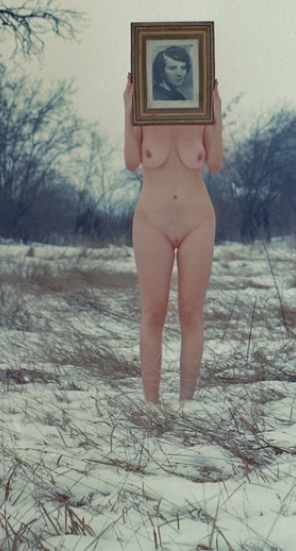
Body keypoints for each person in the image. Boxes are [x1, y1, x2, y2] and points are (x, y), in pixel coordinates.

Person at [124, 72, 223, 403]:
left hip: (198, 220)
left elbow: (215, 163)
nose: (177, 74)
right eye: (170, 67)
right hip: (151, 221)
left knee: (191, 313)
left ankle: (186, 405)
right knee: (153, 313)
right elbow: (131, 161)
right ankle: (151, 406)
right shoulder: (146, 109)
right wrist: (128, 108)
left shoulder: (199, 110)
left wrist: (216, 112)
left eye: (184, 67)